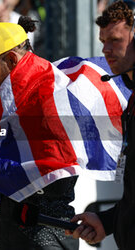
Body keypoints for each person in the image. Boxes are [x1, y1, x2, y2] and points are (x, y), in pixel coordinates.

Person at [0, 20, 80, 250]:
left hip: (46, 240)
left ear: (12, 60)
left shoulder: (49, 96)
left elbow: (56, 178)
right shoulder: (6, 103)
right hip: (14, 237)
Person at [66, 1, 135, 249]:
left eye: (115, 40)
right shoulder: (131, 102)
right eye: (102, 40)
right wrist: (106, 222)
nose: (105, 49)